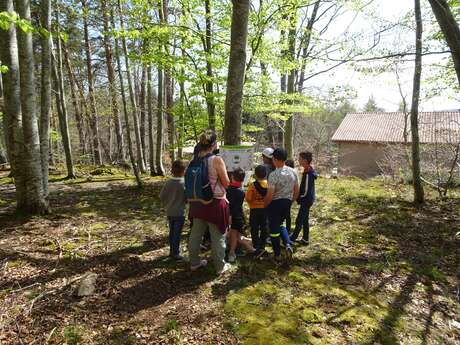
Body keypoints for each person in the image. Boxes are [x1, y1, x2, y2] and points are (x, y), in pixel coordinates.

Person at [187, 130, 231, 275]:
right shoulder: (216, 160)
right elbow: (225, 182)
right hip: (214, 203)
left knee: (195, 234)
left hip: (197, 202)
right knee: (218, 235)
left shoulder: (193, 160)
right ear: (214, 144)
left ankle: (194, 263)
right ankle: (220, 267)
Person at [264, 148, 299, 262]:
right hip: (287, 202)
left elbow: (270, 195)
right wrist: (291, 201)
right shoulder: (293, 171)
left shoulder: (273, 175)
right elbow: (296, 190)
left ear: (274, 159)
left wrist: (264, 205)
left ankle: (277, 254)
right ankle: (288, 244)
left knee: (274, 231)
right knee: (281, 224)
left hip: (275, 204)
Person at [159, 160, 187, 260]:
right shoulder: (184, 183)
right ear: (184, 171)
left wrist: (167, 204)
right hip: (180, 213)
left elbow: (161, 196)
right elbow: (187, 199)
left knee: (172, 232)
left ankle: (172, 251)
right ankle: (175, 253)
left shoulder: (168, 182)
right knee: (176, 234)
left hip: (170, 212)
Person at [227, 168, 255, 262]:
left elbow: (231, 206)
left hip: (232, 216)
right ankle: (249, 245)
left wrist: (230, 216)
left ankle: (232, 252)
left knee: (234, 236)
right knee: (235, 236)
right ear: (243, 179)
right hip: (238, 216)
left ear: (231, 177)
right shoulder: (241, 192)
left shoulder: (228, 190)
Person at [290, 151, 317, 245]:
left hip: (306, 200)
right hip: (307, 199)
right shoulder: (307, 170)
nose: (298, 160)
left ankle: (292, 239)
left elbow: (305, 190)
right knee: (305, 219)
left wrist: (298, 197)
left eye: (300, 159)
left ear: (305, 160)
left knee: (299, 220)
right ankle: (305, 239)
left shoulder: (309, 174)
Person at [245, 165, 269, 258]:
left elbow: (248, 198)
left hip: (254, 210)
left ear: (255, 175)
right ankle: (263, 245)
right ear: (265, 174)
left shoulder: (252, 185)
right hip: (265, 209)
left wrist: (253, 202)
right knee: (264, 227)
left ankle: (255, 245)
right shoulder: (269, 184)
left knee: (254, 228)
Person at [284, 159, 295, 234]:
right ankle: (287, 229)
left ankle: (286, 230)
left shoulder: (290, 174)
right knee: (287, 214)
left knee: (286, 214)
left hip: (287, 196)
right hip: (288, 196)